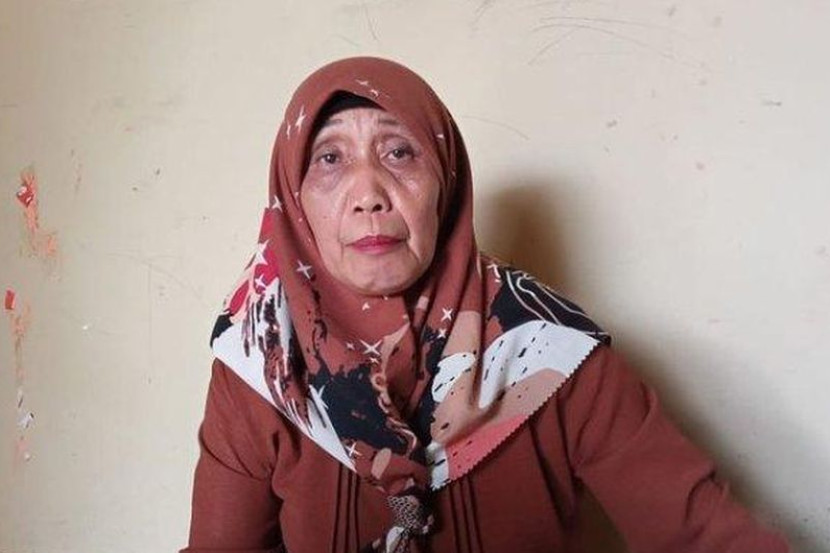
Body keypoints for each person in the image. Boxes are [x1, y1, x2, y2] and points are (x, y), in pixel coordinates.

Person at [182, 57, 789, 553]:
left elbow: (707, 538)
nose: (368, 193)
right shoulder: (262, 363)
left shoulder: (553, 352)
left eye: (399, 152)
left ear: (446, 182)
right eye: (330, 159)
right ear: (294, 200)